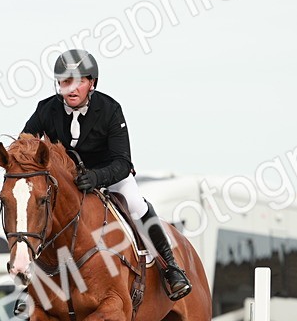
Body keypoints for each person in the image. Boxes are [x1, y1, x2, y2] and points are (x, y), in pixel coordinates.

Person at [20, 49, 191, 301]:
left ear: (92, 83)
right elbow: (25, 143)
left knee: (136, 203)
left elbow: (123, 162)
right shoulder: (46, 109)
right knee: (41, 212)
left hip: (110, 177)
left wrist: (97, 178)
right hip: (69, 182)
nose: (71, 89)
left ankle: (171, 267)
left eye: (78, 81)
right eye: (65, 82)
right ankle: (33, 284)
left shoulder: (110, 109)